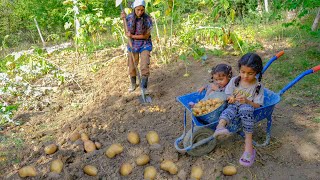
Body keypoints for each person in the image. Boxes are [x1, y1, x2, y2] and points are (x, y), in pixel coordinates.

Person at [213, 53, 264, 167]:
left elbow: (258, 106)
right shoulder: (235, 80)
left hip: (247, 108)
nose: (245, 76)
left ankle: (248, 147)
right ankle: (220, 127)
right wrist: (230, 97)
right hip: (234, 105)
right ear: (239, 70)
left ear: (257, 72)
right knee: (229, 110)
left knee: (245, 109)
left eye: (250, 73)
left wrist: (247, 101)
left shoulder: (258, 86)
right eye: (242, 72)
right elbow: (228, 94)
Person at [120, 0, 153, 93]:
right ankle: (133, 84)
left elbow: (146, 36)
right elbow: (126, 31)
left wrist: (132, 36)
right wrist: (123, 19)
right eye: (138, 10)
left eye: (142, 10)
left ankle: (144, 87)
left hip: (145, 44)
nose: (140, 12)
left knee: (144, 65)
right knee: (132, 65)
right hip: (133, 44)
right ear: (134, 9)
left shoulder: (148, 19)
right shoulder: (129, 17)